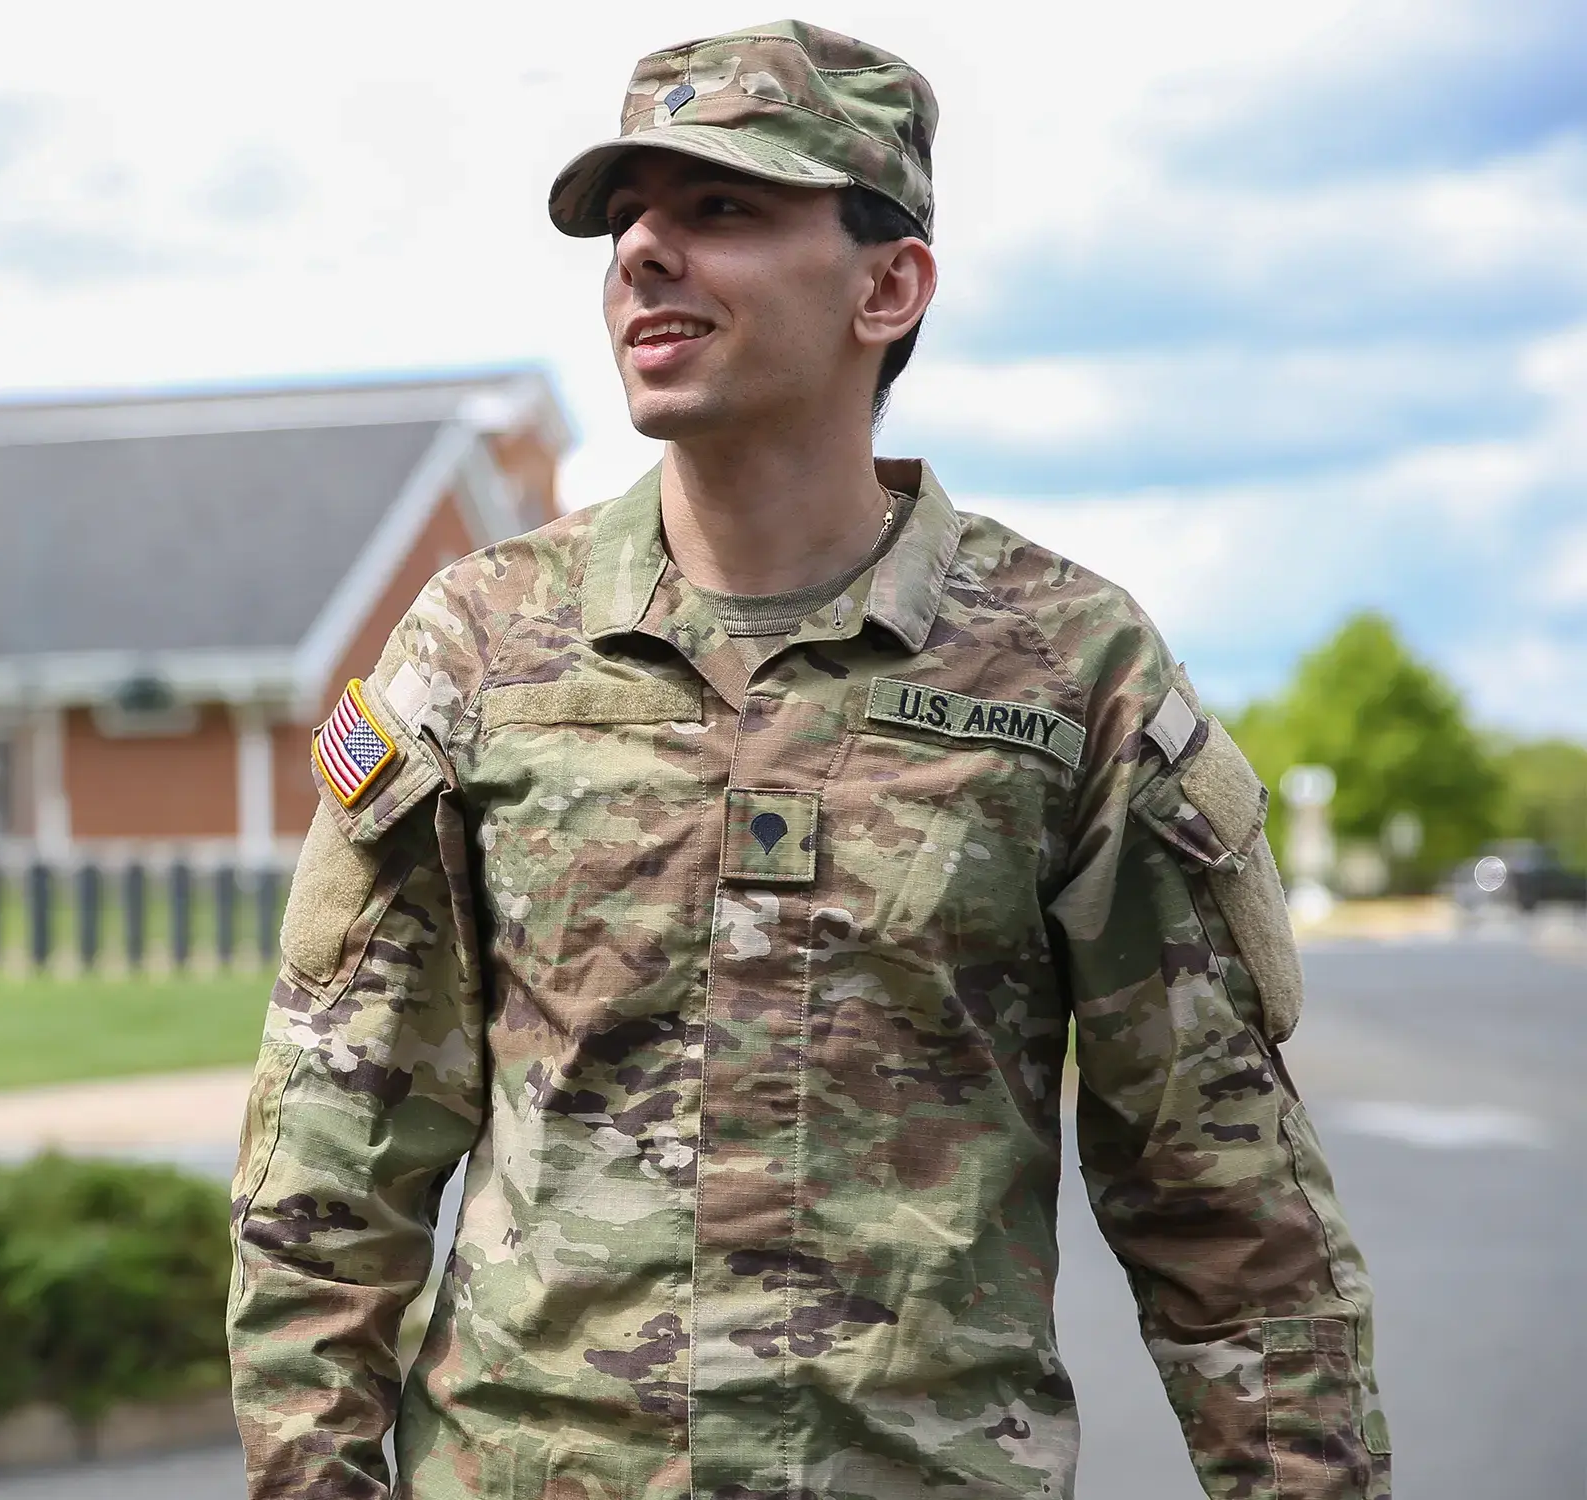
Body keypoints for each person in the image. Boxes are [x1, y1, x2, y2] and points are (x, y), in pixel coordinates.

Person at [227, 20, 1390, 1500]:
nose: (646, 250)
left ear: (888, 284)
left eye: (722, 209)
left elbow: (1229, 1207)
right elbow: (333, 1161)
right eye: (628, 217)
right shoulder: (481, 647)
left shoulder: (1069, 668)